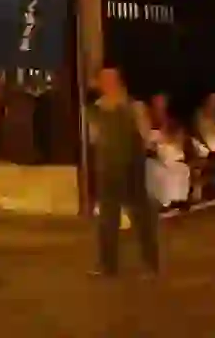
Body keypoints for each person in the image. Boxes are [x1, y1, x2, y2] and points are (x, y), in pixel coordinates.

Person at [87, 66, 159, 277]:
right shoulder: (97, 109)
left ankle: (150, 264)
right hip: (107, 169)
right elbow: (94, 139)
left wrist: (150, 144)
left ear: (119, 81)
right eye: (103, 80)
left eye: (110, 79)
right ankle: (107, 264)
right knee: (107, 218)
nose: (106, 84)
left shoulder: (133, 107)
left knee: (141, 217)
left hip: (131, 169)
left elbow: (146, 135)